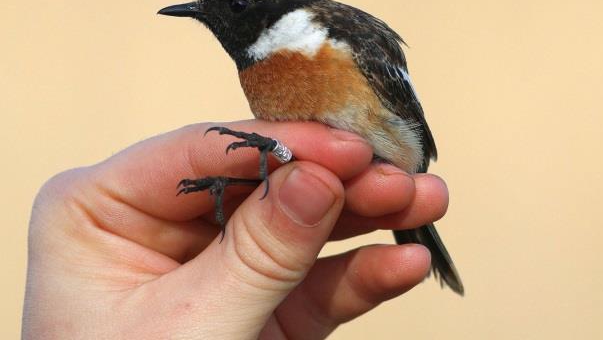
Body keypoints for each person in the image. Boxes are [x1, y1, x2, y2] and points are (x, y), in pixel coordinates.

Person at [22, 120, 450, 339]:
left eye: (238, 7)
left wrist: (263, 247)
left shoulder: (330, 41)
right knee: (296, 171)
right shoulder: (267, 67)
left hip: (380, 159)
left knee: (309, 180)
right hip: (340, 172)